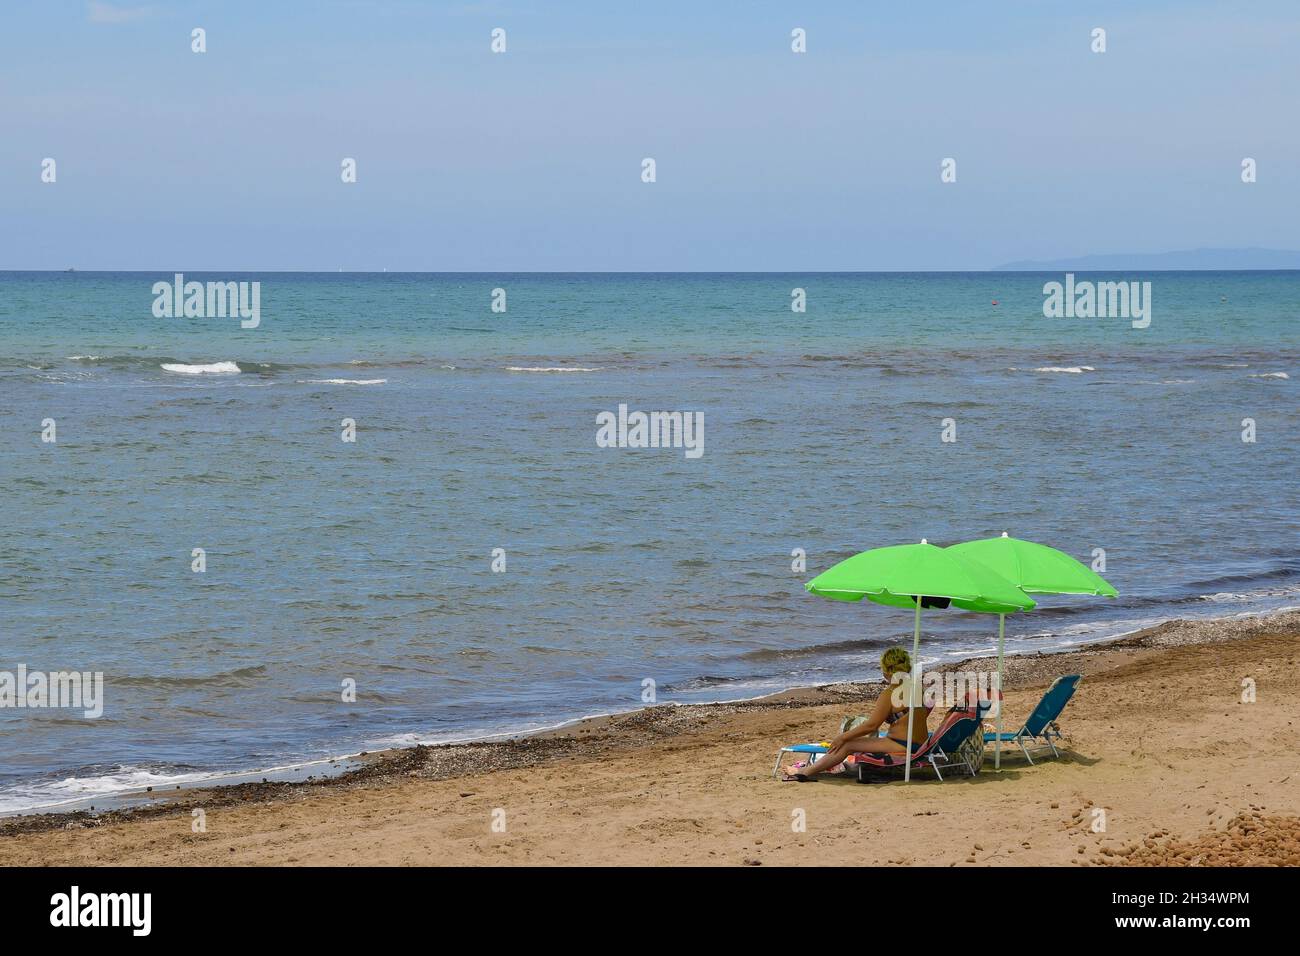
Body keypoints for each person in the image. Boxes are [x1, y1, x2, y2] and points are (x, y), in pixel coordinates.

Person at [782, 647, 930, 781]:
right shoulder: (918, 688)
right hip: (921, 743)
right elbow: (928, 708)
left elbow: (871, 726)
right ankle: (809, 769)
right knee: (852, 741)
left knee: (847, 745)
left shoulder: (889, 694)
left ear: (885, 671)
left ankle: (805, 771)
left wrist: (842, 737)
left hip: (903, 745)